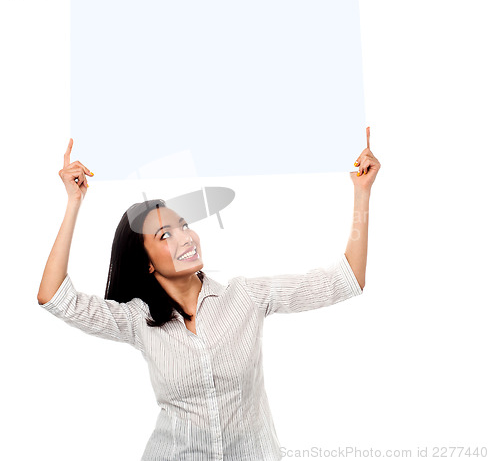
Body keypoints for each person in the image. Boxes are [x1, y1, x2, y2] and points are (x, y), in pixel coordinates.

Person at [38, 129, 381, 461]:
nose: (185, 238)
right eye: (165, 235)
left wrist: (362, 193)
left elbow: (346, 280)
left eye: (184, 226)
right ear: (147, 266)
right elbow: (54, 297)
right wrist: (74, 202)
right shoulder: (136, 320)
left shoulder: (245, 297)